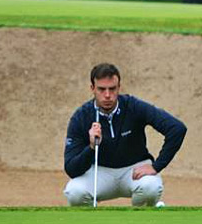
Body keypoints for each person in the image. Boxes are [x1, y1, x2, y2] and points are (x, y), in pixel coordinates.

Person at [63, 63, 187, 206]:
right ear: (92, 89)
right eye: (101, 89)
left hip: (134, 170)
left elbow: (177, 128)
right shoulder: (81, 117)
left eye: (112, 89)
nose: (107, 95)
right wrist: (91, 147)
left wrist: (156, 166)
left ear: (119, 87)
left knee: (150, 188)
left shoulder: (133, 106)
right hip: (100, 171)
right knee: (74, 192)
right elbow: (71, 169)